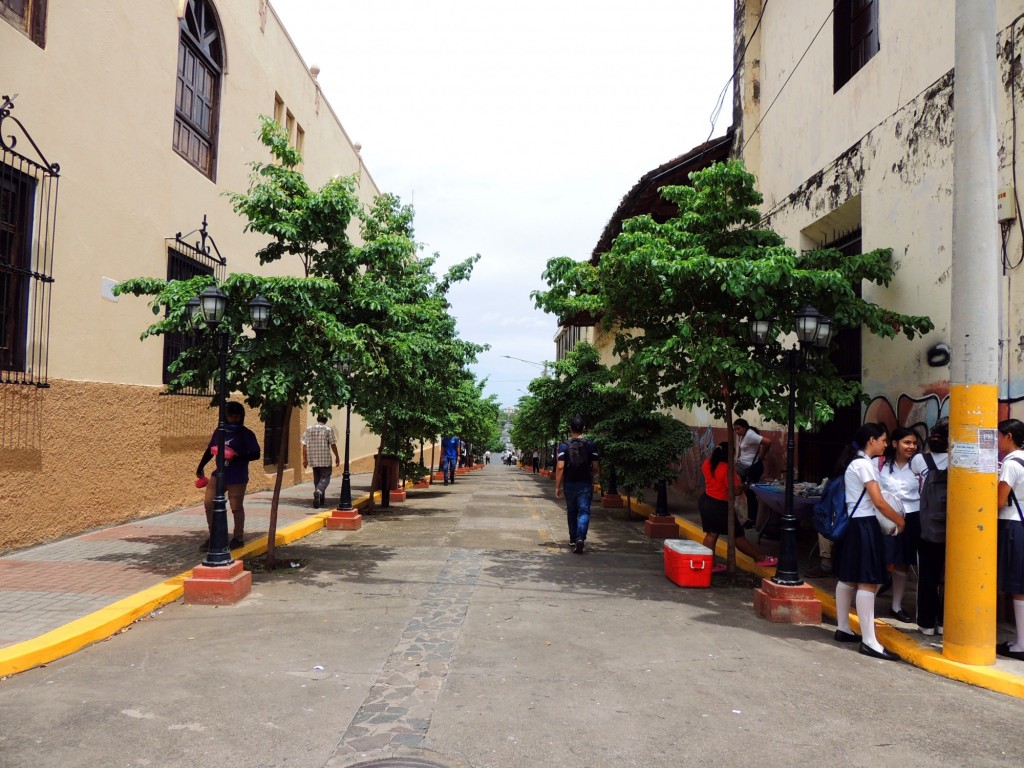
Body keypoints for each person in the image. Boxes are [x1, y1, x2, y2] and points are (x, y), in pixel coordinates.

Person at [832, 423, 905, 661]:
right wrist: (899, 521)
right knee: (868, 582)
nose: (886, 444)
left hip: (855, 525)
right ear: (871, 440)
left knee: (849, 578)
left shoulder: (856, 462)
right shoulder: (864, 465)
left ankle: (843, 628)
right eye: (883, 440)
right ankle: (869, 641)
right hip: (864, 525)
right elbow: (879, 502)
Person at [699, 442, 778, 572]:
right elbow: (736, 491)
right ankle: (759, 558)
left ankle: (709, 564)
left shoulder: (708, 463)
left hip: (706, 501)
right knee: (738, 536)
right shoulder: (727, 469)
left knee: (711, 534)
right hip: (720, 505)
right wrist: (743, 486)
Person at [196, 401, 262, 551]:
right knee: (209, 503)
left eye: (237, 417)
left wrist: (237, 457)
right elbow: (210, 450)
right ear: (225, 416)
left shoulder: (246, 433)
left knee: (236, 507)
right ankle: (214, 536)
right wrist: (200, 467)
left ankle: (238, 537)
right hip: (219, 474)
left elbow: (256, 454)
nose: (234, 419)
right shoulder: (220, 431)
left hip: (237, 476)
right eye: (231, 416)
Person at [877, 426, 920, 623]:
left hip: (911, 517)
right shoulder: (880, 464)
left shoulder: (919, 465)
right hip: (884, 517)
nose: (911, 447)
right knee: (882, 557)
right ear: (895, 444)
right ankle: (869, 596)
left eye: (914, 443)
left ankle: (896, 605)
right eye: (907, 442)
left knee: (902, 562)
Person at [911, 419, 948, 636]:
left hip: (927, 526)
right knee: (950, 579)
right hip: (954, 528)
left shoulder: (919, 460)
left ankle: (926, 623)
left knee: (927, 576)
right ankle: (944, 622)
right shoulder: (959, 460)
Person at [996, 418, 1024, 660]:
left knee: (1017, 586)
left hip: (1013, 524)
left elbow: (998, 500)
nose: (997, 441)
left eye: (998, 436)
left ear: (1008, 437)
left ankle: (1020, 644)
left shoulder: (1010, 464)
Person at [555, 416, 600, 553]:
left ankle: (573, 539)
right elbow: (596, 466)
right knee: (584, 511)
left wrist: (557, 486)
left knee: (572, 511)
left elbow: (561, 467)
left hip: (569, 483)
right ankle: (581, 537)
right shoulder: (591, 445)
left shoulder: (564, 445)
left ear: (570, 428)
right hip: (585, 482)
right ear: (583, 428)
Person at [734, 419, 773, 530]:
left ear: (745, 427)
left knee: (751, 493)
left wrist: (761, 455)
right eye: (735, 429)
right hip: (745, 467)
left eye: (738, 428)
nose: (737, 431)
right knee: (749, 494)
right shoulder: (744, 435)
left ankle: (753, 520)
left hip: (752, 468)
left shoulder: (750, 435)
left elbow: (768, 442)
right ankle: (753, 519)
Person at [301, 414, 340, 509]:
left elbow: (304, 445)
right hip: (325, 459)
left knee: (317, 479)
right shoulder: (328, 429)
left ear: (317, 419)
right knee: (325, 477)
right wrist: (337, 456)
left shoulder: (309, 429)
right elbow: (333, 444)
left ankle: (320, 499)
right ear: (326, 420)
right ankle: (318, 492)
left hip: (313, 459)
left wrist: (305, 459)